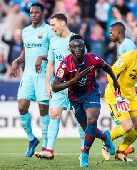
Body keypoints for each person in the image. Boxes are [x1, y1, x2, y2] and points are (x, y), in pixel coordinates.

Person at [52, 34, 120, 167]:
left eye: (80, 46)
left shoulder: (92, 59)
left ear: (84, 47)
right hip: (75, 98)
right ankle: (105, 137)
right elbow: (54, 87)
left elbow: (106, 66)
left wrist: (115, 81)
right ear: (69, 48)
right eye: (74, 46)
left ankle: (85, 152)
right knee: (88, 129)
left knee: (92, 120)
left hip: (91, 93)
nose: (77, 49)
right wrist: (74, 80)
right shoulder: (65, 65)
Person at [34, 13, 85, 160]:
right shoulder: (53, 41)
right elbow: (50, 64)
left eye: (53, 24)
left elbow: (84, 62)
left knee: (79, 118)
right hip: (58, 85)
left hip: (75, 86)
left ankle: (84, 151)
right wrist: (47, 84)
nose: (52, 28)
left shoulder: (77, 40)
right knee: (54, 114)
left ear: (62, 23)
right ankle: (49, 149)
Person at [11, 2, 55, 157]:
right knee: (22, 106)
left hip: (44, 75)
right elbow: (26, 50)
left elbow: (54, 52)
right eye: (31, 12)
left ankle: (45, 145)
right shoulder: (25, 31)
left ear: (42, 14)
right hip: (28, 75)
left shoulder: (49, 31)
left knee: (43, 110)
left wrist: (41, 57)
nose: (33, 15)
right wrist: (17, 60)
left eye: (36, 12)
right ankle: (31, 139)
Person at [104, 32, 137, 161]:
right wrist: (117, 94)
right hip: (115, 94)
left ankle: (121, 151)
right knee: (127, 126)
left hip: (131, 94)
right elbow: (110, 73)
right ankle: (106, 139)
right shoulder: (128, 57)